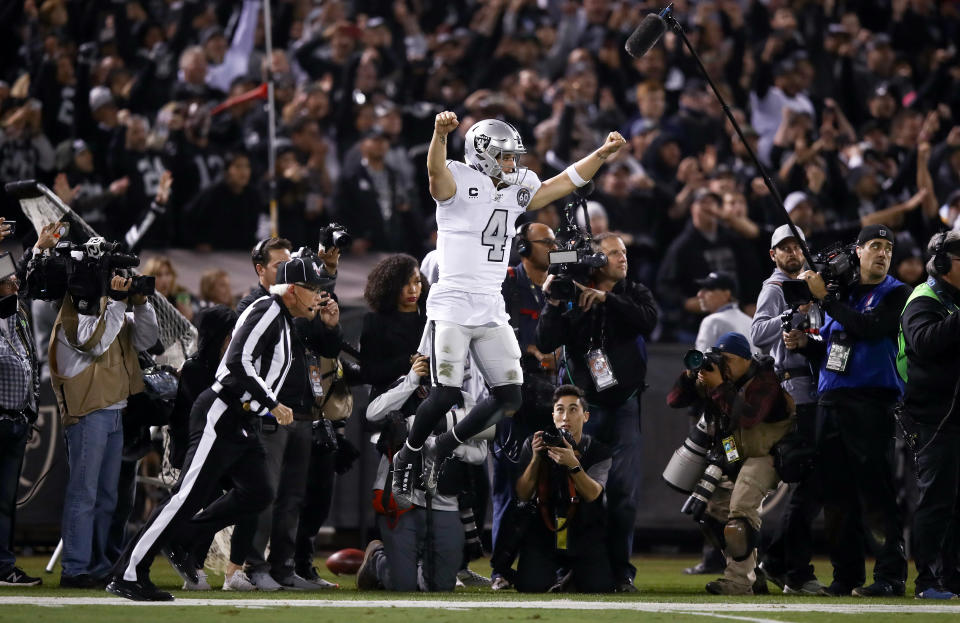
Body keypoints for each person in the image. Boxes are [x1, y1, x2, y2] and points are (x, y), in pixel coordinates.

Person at [391, 112, 626, 511]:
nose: (511, 164)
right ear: (481, 155)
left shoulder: (516, 186)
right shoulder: (458, 179)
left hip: (489, 303)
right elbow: (435, 174)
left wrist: (600, 154)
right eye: (503, 157)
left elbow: (562, 182)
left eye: (512, 157)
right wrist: (439, 135)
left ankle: (441, 447)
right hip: (453, 300)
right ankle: (409, 452)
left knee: (509, 396)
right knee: (447, 391)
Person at [107, 257, 325, 601]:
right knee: (185, 496)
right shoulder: (267, 309)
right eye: (313, 289)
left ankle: (183, 537)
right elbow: (237, 361)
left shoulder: (283, 320)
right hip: (221, 412)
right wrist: (272, 403)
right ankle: (129, 573)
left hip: (242, 421)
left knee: (259, 492)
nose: (318, 296)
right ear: (294, 291)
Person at [790, 225, 910, 597]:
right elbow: (832, 348)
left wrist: (825, 300)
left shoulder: (897, 293)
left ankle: (889, 575)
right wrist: (803, 345)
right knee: (837, 497)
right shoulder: (844, 294)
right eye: (875, 245)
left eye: (888, 247)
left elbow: (869, 329)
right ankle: (847, 576)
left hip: (871, 402)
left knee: (876, 493)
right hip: (832, 401)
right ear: (857, 252)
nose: (883, 253)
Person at [536, 232, 658, 592]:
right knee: (566, 490)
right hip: (580, 410)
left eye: (624, 252)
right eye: (614, 253)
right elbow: (545, 341)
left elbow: (648, 321)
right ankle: (567, 570)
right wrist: (553, 301)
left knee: (622, 494)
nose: (623, 258)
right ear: (597, 260)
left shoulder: (634, 292)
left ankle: (621, 573)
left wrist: (606, 299)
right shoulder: (570, 291)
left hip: (623, 406)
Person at [231, 240, 342, 592]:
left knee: (293, 498)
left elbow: (324, 348)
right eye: (280, 264)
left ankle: (283, 567)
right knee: (266, 494)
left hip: (303, 412)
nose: (284, 268)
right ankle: (253, 566)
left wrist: (328, 325)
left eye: (288, 263)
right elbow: (240, 360)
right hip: (269, 412)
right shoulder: (257, 306)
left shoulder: (298, 312)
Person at [44, 250, 159, 589]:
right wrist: (120, 303)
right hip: (88, 414)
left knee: (108, 496)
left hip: (115, 411)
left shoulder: (114, 312)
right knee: (85, 494)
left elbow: (146, 339)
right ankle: (76, 568)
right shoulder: (71, 320)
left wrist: (140, 303)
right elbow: (94, 344)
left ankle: (100, 563)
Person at [666, 332, 794, 595]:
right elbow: (674, 400)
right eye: (719, 359)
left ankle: (738, 581)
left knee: (741, 508)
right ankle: (752, 573)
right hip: (734, 452)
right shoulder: (717, 379)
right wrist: (690, 375)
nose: (723, 365)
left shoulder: (765, 379)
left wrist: (718, 386)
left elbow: (748, 417)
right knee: (711, 513)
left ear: (747, 359)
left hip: (766, 454)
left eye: (729, 360)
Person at [358, 355, 488, 592]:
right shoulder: (405, 385)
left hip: (443, 495)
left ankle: (424, 570)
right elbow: (372, 414)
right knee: (403, 586)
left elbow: (480, 453)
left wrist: (443, 443)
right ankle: (378, 560)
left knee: (437, 586)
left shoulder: (463, 398)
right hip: (403, 488)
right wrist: (411, 380)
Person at [751, 224, 825, 595]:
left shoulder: (814, 282)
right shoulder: (776, 287)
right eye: (785, 248)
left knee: (814, 480)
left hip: (818, 383)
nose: (793, 253)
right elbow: (757, 333)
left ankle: (779, 561)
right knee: (808, 478)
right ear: (773, 255)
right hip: (795, 387)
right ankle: (792, 568)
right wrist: (790, 315)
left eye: (798, 246)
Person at [490, 221, 559, 591]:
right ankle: (500, 568)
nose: (553, 247)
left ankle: (544, 565)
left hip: (552, 396)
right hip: (514, 397)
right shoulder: (507, 284)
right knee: (509, 485)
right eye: (545, 242)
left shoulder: (557, 286)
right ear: (522, 247)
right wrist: (525, 351)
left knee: (550, 486)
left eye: (554, 241)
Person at [897, 231, 960, 599]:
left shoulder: (951, 301)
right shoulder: (923, 299)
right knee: (935, 500)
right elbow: (923, 342)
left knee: (954, 503)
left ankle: (951, 576)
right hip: (931, 419)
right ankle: (927, 580)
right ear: (941, 264)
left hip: (951, 416)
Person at [510, 384, 614, 593]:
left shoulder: (598, 450)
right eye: (560, 409)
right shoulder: (535, 443)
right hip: (543, 532)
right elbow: (522, 493)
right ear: (553, 415)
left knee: (599, 587)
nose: (565, 416)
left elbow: (593, 494)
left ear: (585, 416)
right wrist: (536, 459)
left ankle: (572, 576)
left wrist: (573, 465)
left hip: (583, 531)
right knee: (530, 586)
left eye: (573, 409)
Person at [0, 259, 41, 587]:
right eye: (8, 281)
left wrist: (30, 412)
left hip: (14, 421)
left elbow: (31, 363)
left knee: (5, 503)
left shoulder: (18, 316)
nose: (15, 285)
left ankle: (3, 566)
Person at [694, 272, 757, 354]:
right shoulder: (749, 320)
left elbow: (701, 363)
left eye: (708, 289)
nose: (699, 294)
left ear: (726, 294)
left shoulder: (712, 321)